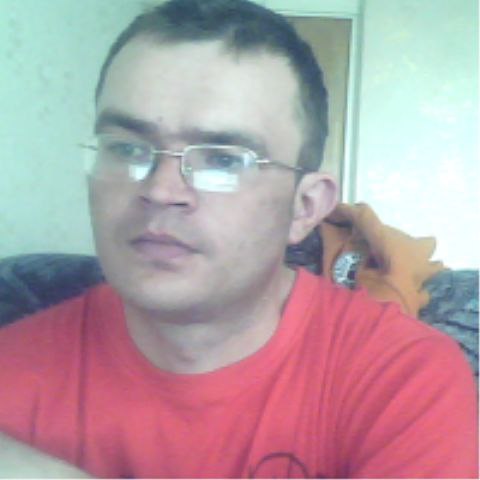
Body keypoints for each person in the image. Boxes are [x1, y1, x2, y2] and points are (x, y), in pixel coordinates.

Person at [0, 0, 477, 477]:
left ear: (305, 206)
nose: (161, 191)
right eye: (127, 148)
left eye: (223, 160)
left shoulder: (405, 379)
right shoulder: (12, 374)